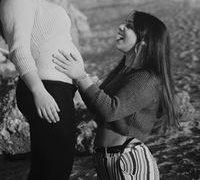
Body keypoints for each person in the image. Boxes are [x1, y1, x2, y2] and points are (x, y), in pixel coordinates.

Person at [52, 10, 179, 180]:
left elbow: (110, 110)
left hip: (128, 161)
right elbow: (98, 107)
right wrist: (78, 80)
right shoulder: (125, 72)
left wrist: (82, 77)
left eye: (129, 26)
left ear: (143, 43)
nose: (120, 27)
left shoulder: (148, 79)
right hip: (107, 160)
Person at [0, 0, 82, 180]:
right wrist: (39, 91)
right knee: (55, 169)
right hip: (46, 89)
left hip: (56, 88)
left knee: (51, 167)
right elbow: (19, 49)